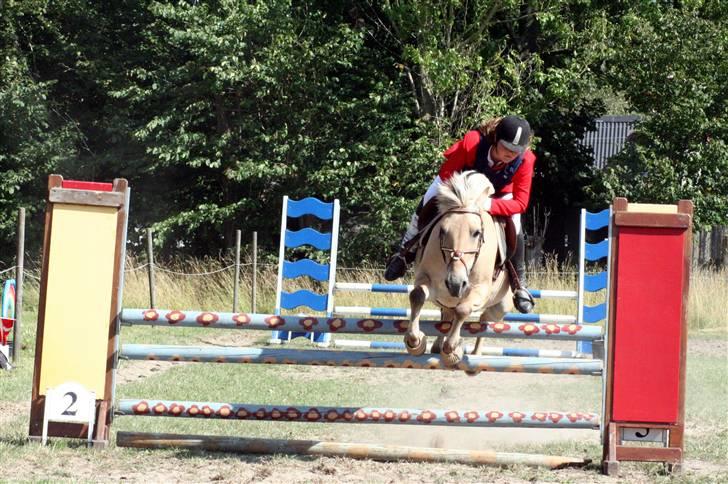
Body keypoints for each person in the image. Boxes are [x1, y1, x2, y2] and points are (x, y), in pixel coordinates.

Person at [383, 115, 536, 312]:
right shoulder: (473, 142)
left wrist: (488, 204)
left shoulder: (526, 160)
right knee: (426, 202)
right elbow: (446, 176)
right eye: (506, 147)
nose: (510, 154)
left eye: (516, 151)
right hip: (460, 185)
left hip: (499, 194)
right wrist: (461, 199)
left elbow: (520, 203)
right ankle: (404, 253)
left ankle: (518, 283)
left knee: (516, 226)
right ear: (496, 139)